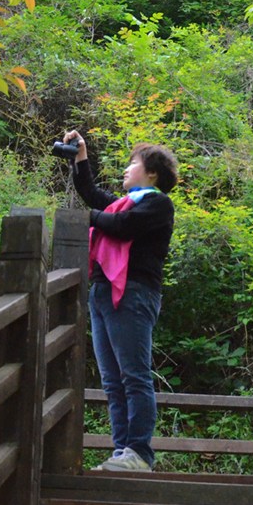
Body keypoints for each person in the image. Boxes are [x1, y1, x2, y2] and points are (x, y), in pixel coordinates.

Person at [62, 130, 178, 472]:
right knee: (112, 381)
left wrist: (87, 217)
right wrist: (80, 155)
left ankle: (139, 452)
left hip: (133, 292)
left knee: (133, 375)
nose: (126, 169)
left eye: (133, 163)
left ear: (152, 173)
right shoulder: (122, 203)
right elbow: (90, 193)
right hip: (103, 292)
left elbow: (123, 225)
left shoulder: (157, 204)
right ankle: (122, 452)